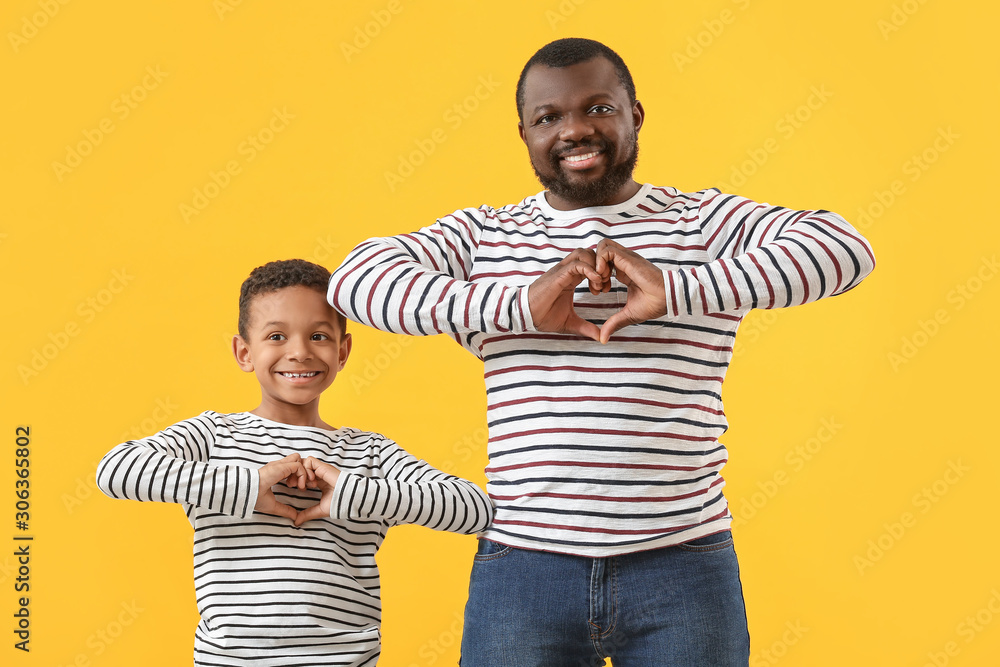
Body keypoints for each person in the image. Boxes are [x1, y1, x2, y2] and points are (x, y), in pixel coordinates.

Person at [329, 38, 875, 666]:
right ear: (525, 133)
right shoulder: (485, 235)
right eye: (549, 117)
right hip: (523, 568)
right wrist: (520, 305)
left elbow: (845, 248)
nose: (575, 130)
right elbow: (356, 280)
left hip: (684, 565)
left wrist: (675, 287)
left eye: (598, 108)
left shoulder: (700, 223)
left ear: (635, 114)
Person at [96, 259, 493, 666]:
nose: (300, 352)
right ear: (244, 352)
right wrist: (252, 486)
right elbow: (115, 470)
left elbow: (474, 509)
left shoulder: (369, 452)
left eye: (319, 336)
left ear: (343, 352)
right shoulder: (215, 436)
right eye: (277, 336)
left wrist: (351, 491)